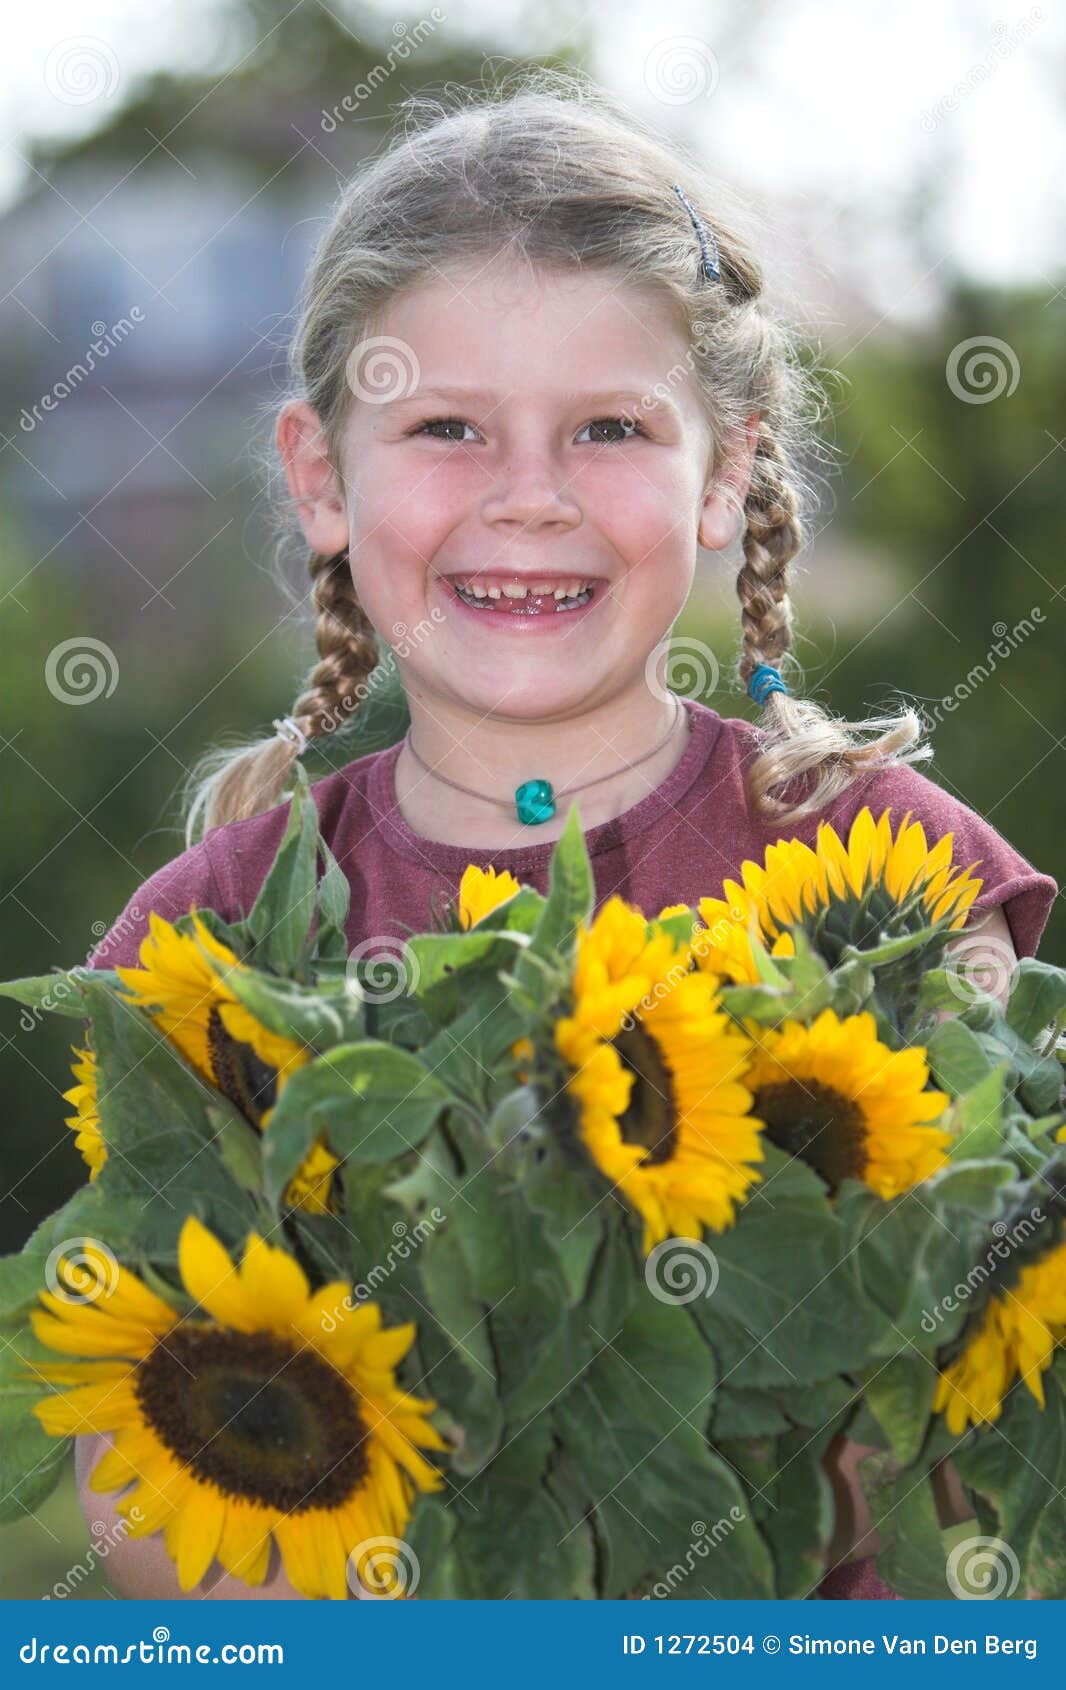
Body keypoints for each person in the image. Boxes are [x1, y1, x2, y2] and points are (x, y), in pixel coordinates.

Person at [71, 71, 1056, 1600]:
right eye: (446, 427)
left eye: (606, 426)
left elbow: (985, 1379)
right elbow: (139, 1493)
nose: (527, 498)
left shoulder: (889, 880)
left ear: (725, 472)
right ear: (323, 478)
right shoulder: (211, 945)